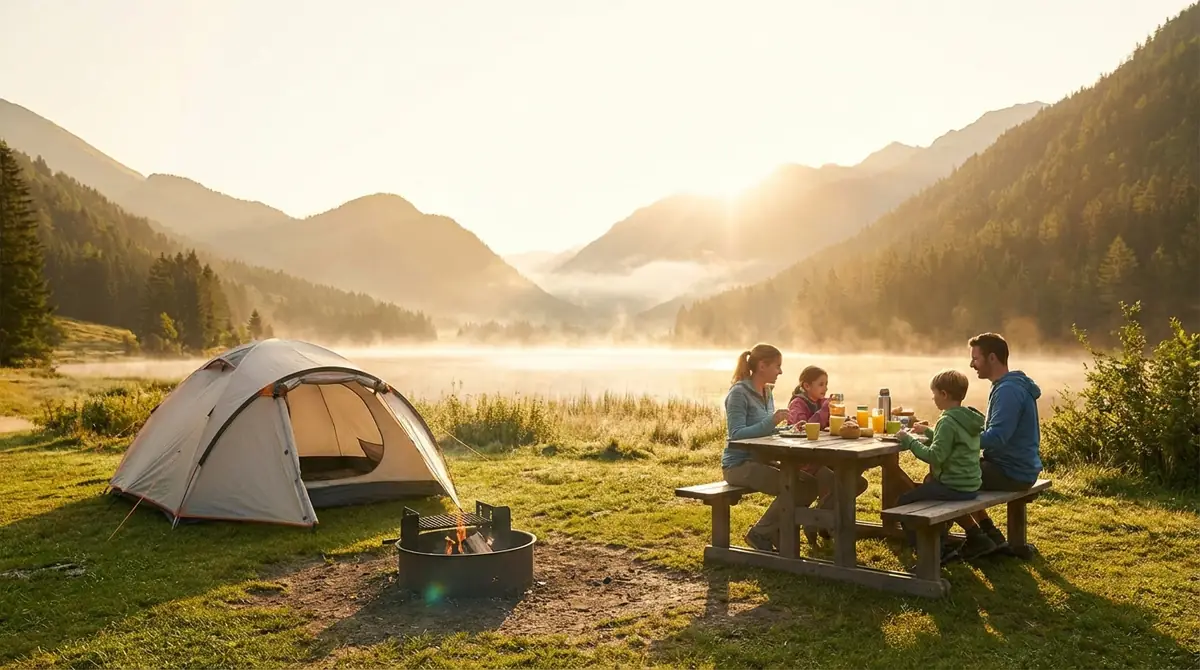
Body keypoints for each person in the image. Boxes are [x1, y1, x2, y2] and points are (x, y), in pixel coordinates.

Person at [958, 332, 1045, 554]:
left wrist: (958, 439)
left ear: (992, 358)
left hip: (1012, 471)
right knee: (959, 470)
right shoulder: (1008, 385)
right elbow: (999, 431)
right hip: (1018, 467)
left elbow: (997, 438)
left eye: (976, 359)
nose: (972, 364)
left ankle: (975, 536)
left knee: (945, 474)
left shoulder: (1008, 390)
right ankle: (989, 533)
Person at [893, 369, 984, 566]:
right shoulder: (966, 418)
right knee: (924, 488)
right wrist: (929, 432)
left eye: (934, 394)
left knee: (903, 504)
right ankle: (949, 544)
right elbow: (952, 443)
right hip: (970, 484)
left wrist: (909, 441)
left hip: (953, 485)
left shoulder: (947, 420)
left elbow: (935, 456)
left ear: (944, 394)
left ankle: (933, 554)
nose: (933, 398)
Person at [787, 365, 868, 543]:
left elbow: (829, 426)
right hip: (805, 463)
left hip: (823, 458)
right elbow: (803, 428)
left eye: (826, 384)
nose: (825, 389)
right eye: (821, 384)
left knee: (856, 482)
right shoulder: (797, 404)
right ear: (806, 386)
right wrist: (824, 410)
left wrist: (846, 420)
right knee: (846, 484)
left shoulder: (819, 402)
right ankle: (816, 522)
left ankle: (817, 521)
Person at [721, 343, 790, 552]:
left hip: (761, 461)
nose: (780, 371)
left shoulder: (767, 392)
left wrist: (788, 430)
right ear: (762, 365)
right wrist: (772, 421)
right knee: (794, 487)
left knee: (809, 484)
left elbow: (765, 431)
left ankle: (775, 530)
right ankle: (760, 533)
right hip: (739, 466)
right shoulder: (739, 393)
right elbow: (736, 435)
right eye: (777, 366)